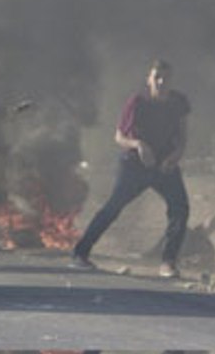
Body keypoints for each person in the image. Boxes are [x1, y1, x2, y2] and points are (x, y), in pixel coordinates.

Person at [70, 59, 191, 278]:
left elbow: (182, 138)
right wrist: (139, 145)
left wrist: (174, 157)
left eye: (166, 78)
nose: (161, 82)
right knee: (113, 207)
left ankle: (168, 262)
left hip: (165, 166)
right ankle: (80, 254)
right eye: (157, 77)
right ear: (149, 79)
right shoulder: (137, 102)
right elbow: (119, 136)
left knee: (180, 209)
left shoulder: (179, 102)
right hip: (135, 165)